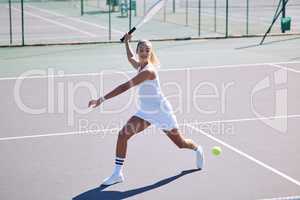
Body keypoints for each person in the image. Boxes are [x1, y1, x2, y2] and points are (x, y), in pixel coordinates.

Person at [88, 33, 204, 186]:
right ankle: (117, 174)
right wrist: (127, 43)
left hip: (162, 112)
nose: (144, 52)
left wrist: (101, 100)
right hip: (145, 113)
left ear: (150, 53)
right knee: (123, 135)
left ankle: (197, 148)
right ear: (138, 51)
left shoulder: (148, 71)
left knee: (181, 144)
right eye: (141, 50)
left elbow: (124, 87)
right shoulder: (140, 66)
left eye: (147, 50)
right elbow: (130, 58)